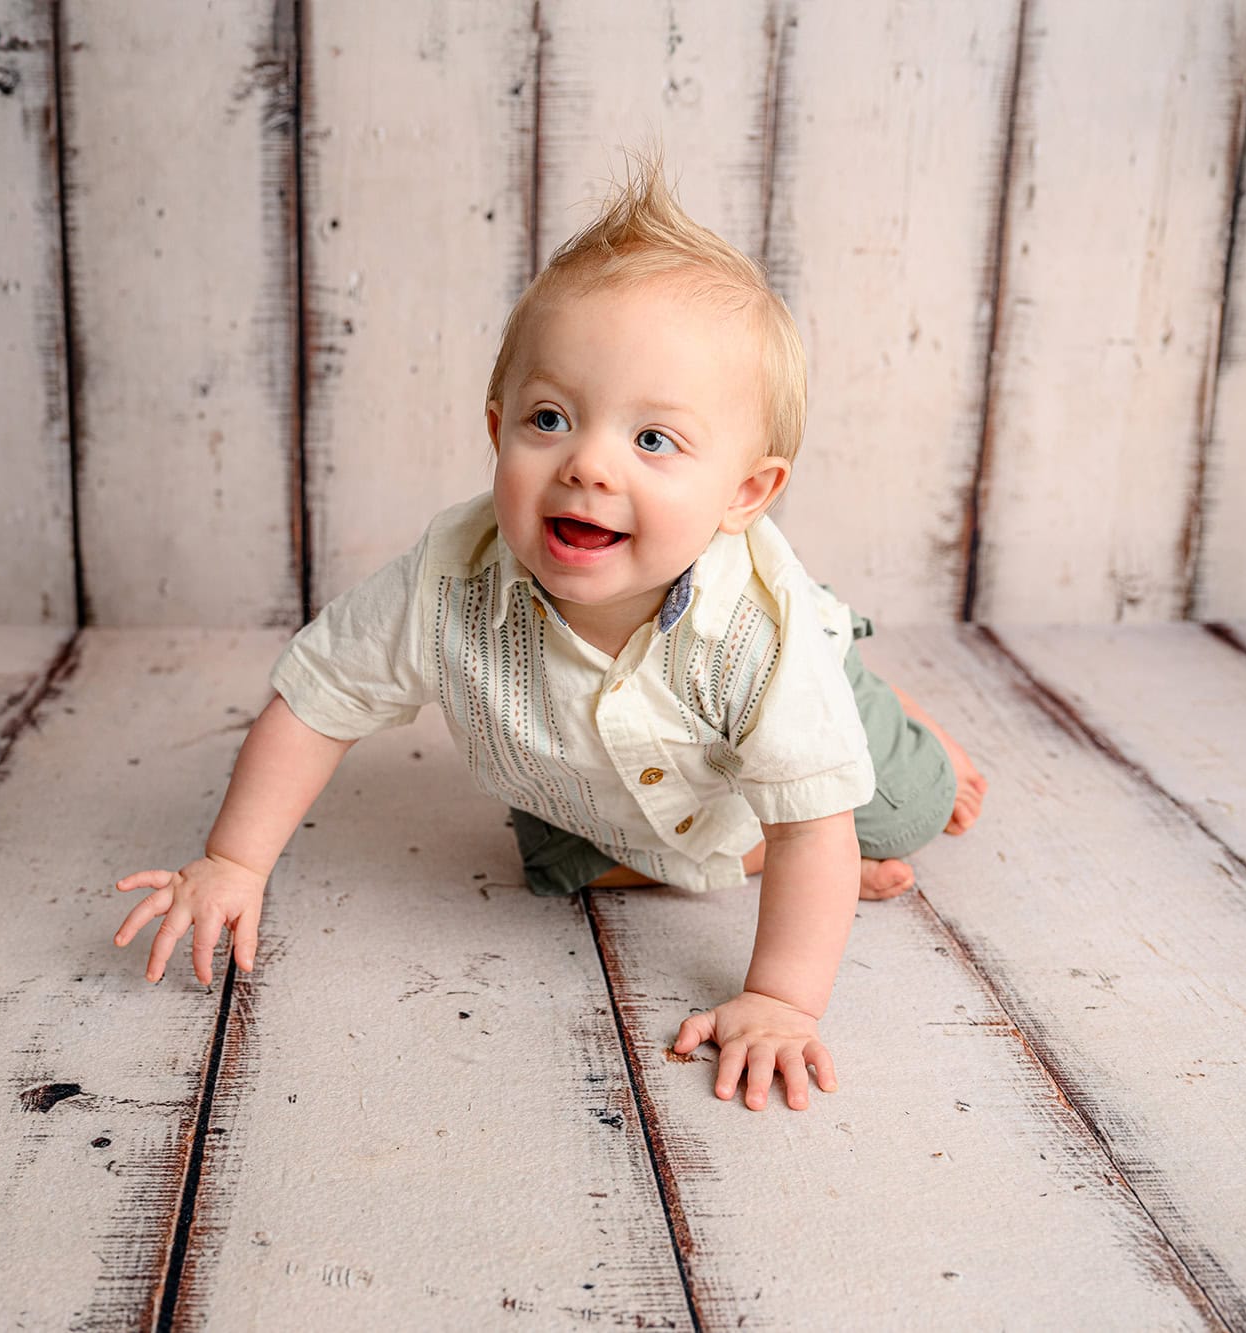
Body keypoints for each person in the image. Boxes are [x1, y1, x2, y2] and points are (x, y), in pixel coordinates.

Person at [113, 147, 988, 1113]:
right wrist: (234, 861)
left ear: (745, 493)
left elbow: (817, 825)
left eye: (653, 440)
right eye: (550, 417)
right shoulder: (447, 579)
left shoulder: (758, 637)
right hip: (583, 776)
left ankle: (875, 711)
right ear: (497, 432)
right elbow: (316, 703)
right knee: (553, 867)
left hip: (795, 711)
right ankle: (746, 851)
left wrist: (780, 1000)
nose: (588, 465)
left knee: (891, 808)